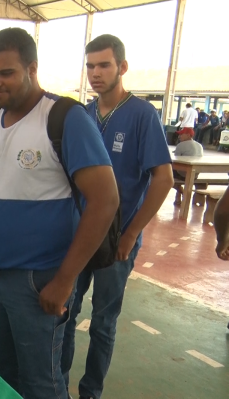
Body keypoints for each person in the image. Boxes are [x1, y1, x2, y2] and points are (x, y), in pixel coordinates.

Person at [0, 28, 119, 399]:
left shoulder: (63, 117)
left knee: (42, 382)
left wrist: (64, 280)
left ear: (32, 68)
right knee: (3, 373)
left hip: (39, 280)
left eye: (6, 73)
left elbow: (105, 200)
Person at [61, 34, 174, 399]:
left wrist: (130, 234)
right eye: (90, 66)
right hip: (79, 233)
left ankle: (90, 392)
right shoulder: (82, 113)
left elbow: (163, 178)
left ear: (122, 68)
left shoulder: (142, 115)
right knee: (65, 312)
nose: (95, 73)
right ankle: (56, 384)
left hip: (117, 240)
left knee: (103, 323)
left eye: (104, 65)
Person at [171, 128, 203, 205]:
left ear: (189, 135)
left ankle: (180, 191)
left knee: (166, 174)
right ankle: (178, 198)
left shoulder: (181, 145)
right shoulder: (199, 145)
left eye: (182, 134)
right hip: (195, 174)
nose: (179, 136)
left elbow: (176, 161)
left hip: (184, 174)